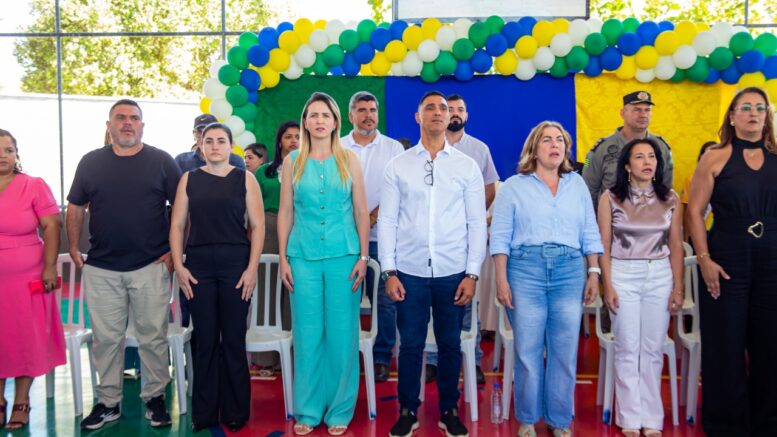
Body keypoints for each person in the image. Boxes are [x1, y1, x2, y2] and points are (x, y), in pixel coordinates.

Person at [67, 99, 181, 430]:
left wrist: (175, 252)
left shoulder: (161, 161)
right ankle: (108, 402)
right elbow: (75, 207)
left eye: (134, 118)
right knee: (106, 340)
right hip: (102, 268)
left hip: (151, 265)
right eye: (120, 117)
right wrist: (73, 245)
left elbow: (182, 207)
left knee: (153, 337)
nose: (127, 122)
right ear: (109, 125)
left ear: (142, 125)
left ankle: (155, 398)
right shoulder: (90, 162)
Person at [380, 91, 487, 437]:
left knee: (450, 344)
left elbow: (477, 222)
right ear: (418, 117)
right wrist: (389, 270)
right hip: (408, 272)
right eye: (430, 107)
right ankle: (408, 410)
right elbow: (387, 220)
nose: (438, 112)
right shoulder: (398, 165)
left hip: (453, 271)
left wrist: (472, 273)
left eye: (443, 108)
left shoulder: (466, 166)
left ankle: (448, 410)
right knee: (410, 345)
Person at [491, 121, 603, 437]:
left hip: (569, 270)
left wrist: (594, 271)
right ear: (533, 148)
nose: (555, 145)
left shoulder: (577, 185)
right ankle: (527, 418)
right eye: (547, 140)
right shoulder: (513, 186)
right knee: (527, 349)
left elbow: (590, 230)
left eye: (560, 140)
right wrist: (501, 279)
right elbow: (500, 237)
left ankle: (559, 420)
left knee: (564, 349)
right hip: (525, 270)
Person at [277, 92, 369, 436]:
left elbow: (361, 211)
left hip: (344, 257)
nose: (319, 121)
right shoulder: (293, 161)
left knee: (342, 335)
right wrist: (283, 258)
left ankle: (340, 408)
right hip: (302, 259)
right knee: (307, 334)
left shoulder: (349, 159)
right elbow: (285, 212)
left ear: (335, 122)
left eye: (325, 115)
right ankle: (308, 409)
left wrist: (363, 257)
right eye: (313, 115)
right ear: (305, 121)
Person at [687, 87, 777, 437]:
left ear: (767, 116)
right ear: (732, 115)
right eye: (746, 107)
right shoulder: (715, 157)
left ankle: (768, 423)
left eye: (760, 108)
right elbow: (694, 213)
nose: (753, 113)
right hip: (727, 259)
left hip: (772, 260)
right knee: (725, 342)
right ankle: (727, 425)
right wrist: (704, 259)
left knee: (769, 343)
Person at [170, 123, 264, 433]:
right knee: (205, 340)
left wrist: (251, 269)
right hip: (199, 267)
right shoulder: (189, 179)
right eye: (208, 141)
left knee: (234, 340)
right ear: (200, 146)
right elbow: (177, 226)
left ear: (230, 145)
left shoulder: (246, 179)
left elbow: (258, 226)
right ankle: (205, 412)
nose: (214, 146)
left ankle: (236, 411)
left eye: (221, 141)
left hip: (235, 264)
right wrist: (180, 266)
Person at [597, 138, 684, 437]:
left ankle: (652, 417)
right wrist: (607, 285)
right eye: (639, 157)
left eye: (652, 157)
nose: (647, 162)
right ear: (626, 165)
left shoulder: (670, 198)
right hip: (623, 273)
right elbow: (603, 244)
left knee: (653, 348)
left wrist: (678, 287)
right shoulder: (610, 198)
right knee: (627, 346)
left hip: (659, 274)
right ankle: (630, 417)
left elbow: (676, 244)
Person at [424, 93, 500, 385]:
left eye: (460, 109)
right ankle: (432, 359)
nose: (454, 113)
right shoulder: (428, 148)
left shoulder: (478, 149)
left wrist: (472, 216)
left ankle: (472, 358)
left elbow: (490, 187)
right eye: (450, 108)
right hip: (433, 240)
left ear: (466, 115)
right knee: (433, 300)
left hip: (466, 238)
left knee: (466, 298)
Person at [0, 129, 64, 430]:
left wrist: (49, 266)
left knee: (25, 336)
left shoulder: (33, 185)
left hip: (27, 277)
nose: (3, 156)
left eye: (8, 150)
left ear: (17, 154)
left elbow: (52, 226)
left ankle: (21, 400)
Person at [340, 91, 404, 383]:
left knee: (385, 302)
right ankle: (349, 355)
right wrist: (354, 221)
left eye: (373, 110)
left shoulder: (393, 148)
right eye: (362, 110)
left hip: (382, 238)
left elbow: (400, 191)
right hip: (345, 238)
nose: (368, 115)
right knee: (346, 300)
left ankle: (380, 357)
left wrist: (372, 217)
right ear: (350, 115)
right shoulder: (338, 147)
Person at [251, 121, 299, 371]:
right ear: (280, 141)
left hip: (298, 228)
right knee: (267, 289)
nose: (293, 141)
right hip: (268, 228)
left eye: (298, 136)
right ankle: (266, 357)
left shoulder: (308, 169)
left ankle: (290, 355)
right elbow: (253, 207)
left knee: (292, 289)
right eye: (288, 136)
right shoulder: (264, 172)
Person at [583, 91, 674, 207]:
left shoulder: (662, 147)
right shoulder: (600, 149)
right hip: (611, 216)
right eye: (637, 110)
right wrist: (600, 216)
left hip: (652, 215)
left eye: (647, 110)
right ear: (622, 113)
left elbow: (666, 187)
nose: (643, 115)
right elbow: (588, 189)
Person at [175, 113, 246, 172]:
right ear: (194, 134)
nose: (203, 135)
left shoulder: (235, 161)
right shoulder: (181, 160)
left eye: (209, 131)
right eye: (200, 131)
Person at [681, 141, 716, 241]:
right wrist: (685, 238)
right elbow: (686, 212)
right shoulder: (691, 180)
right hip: (697, 231)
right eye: (707, 154)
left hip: (718, 231)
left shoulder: (726, 180)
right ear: (700, 157)